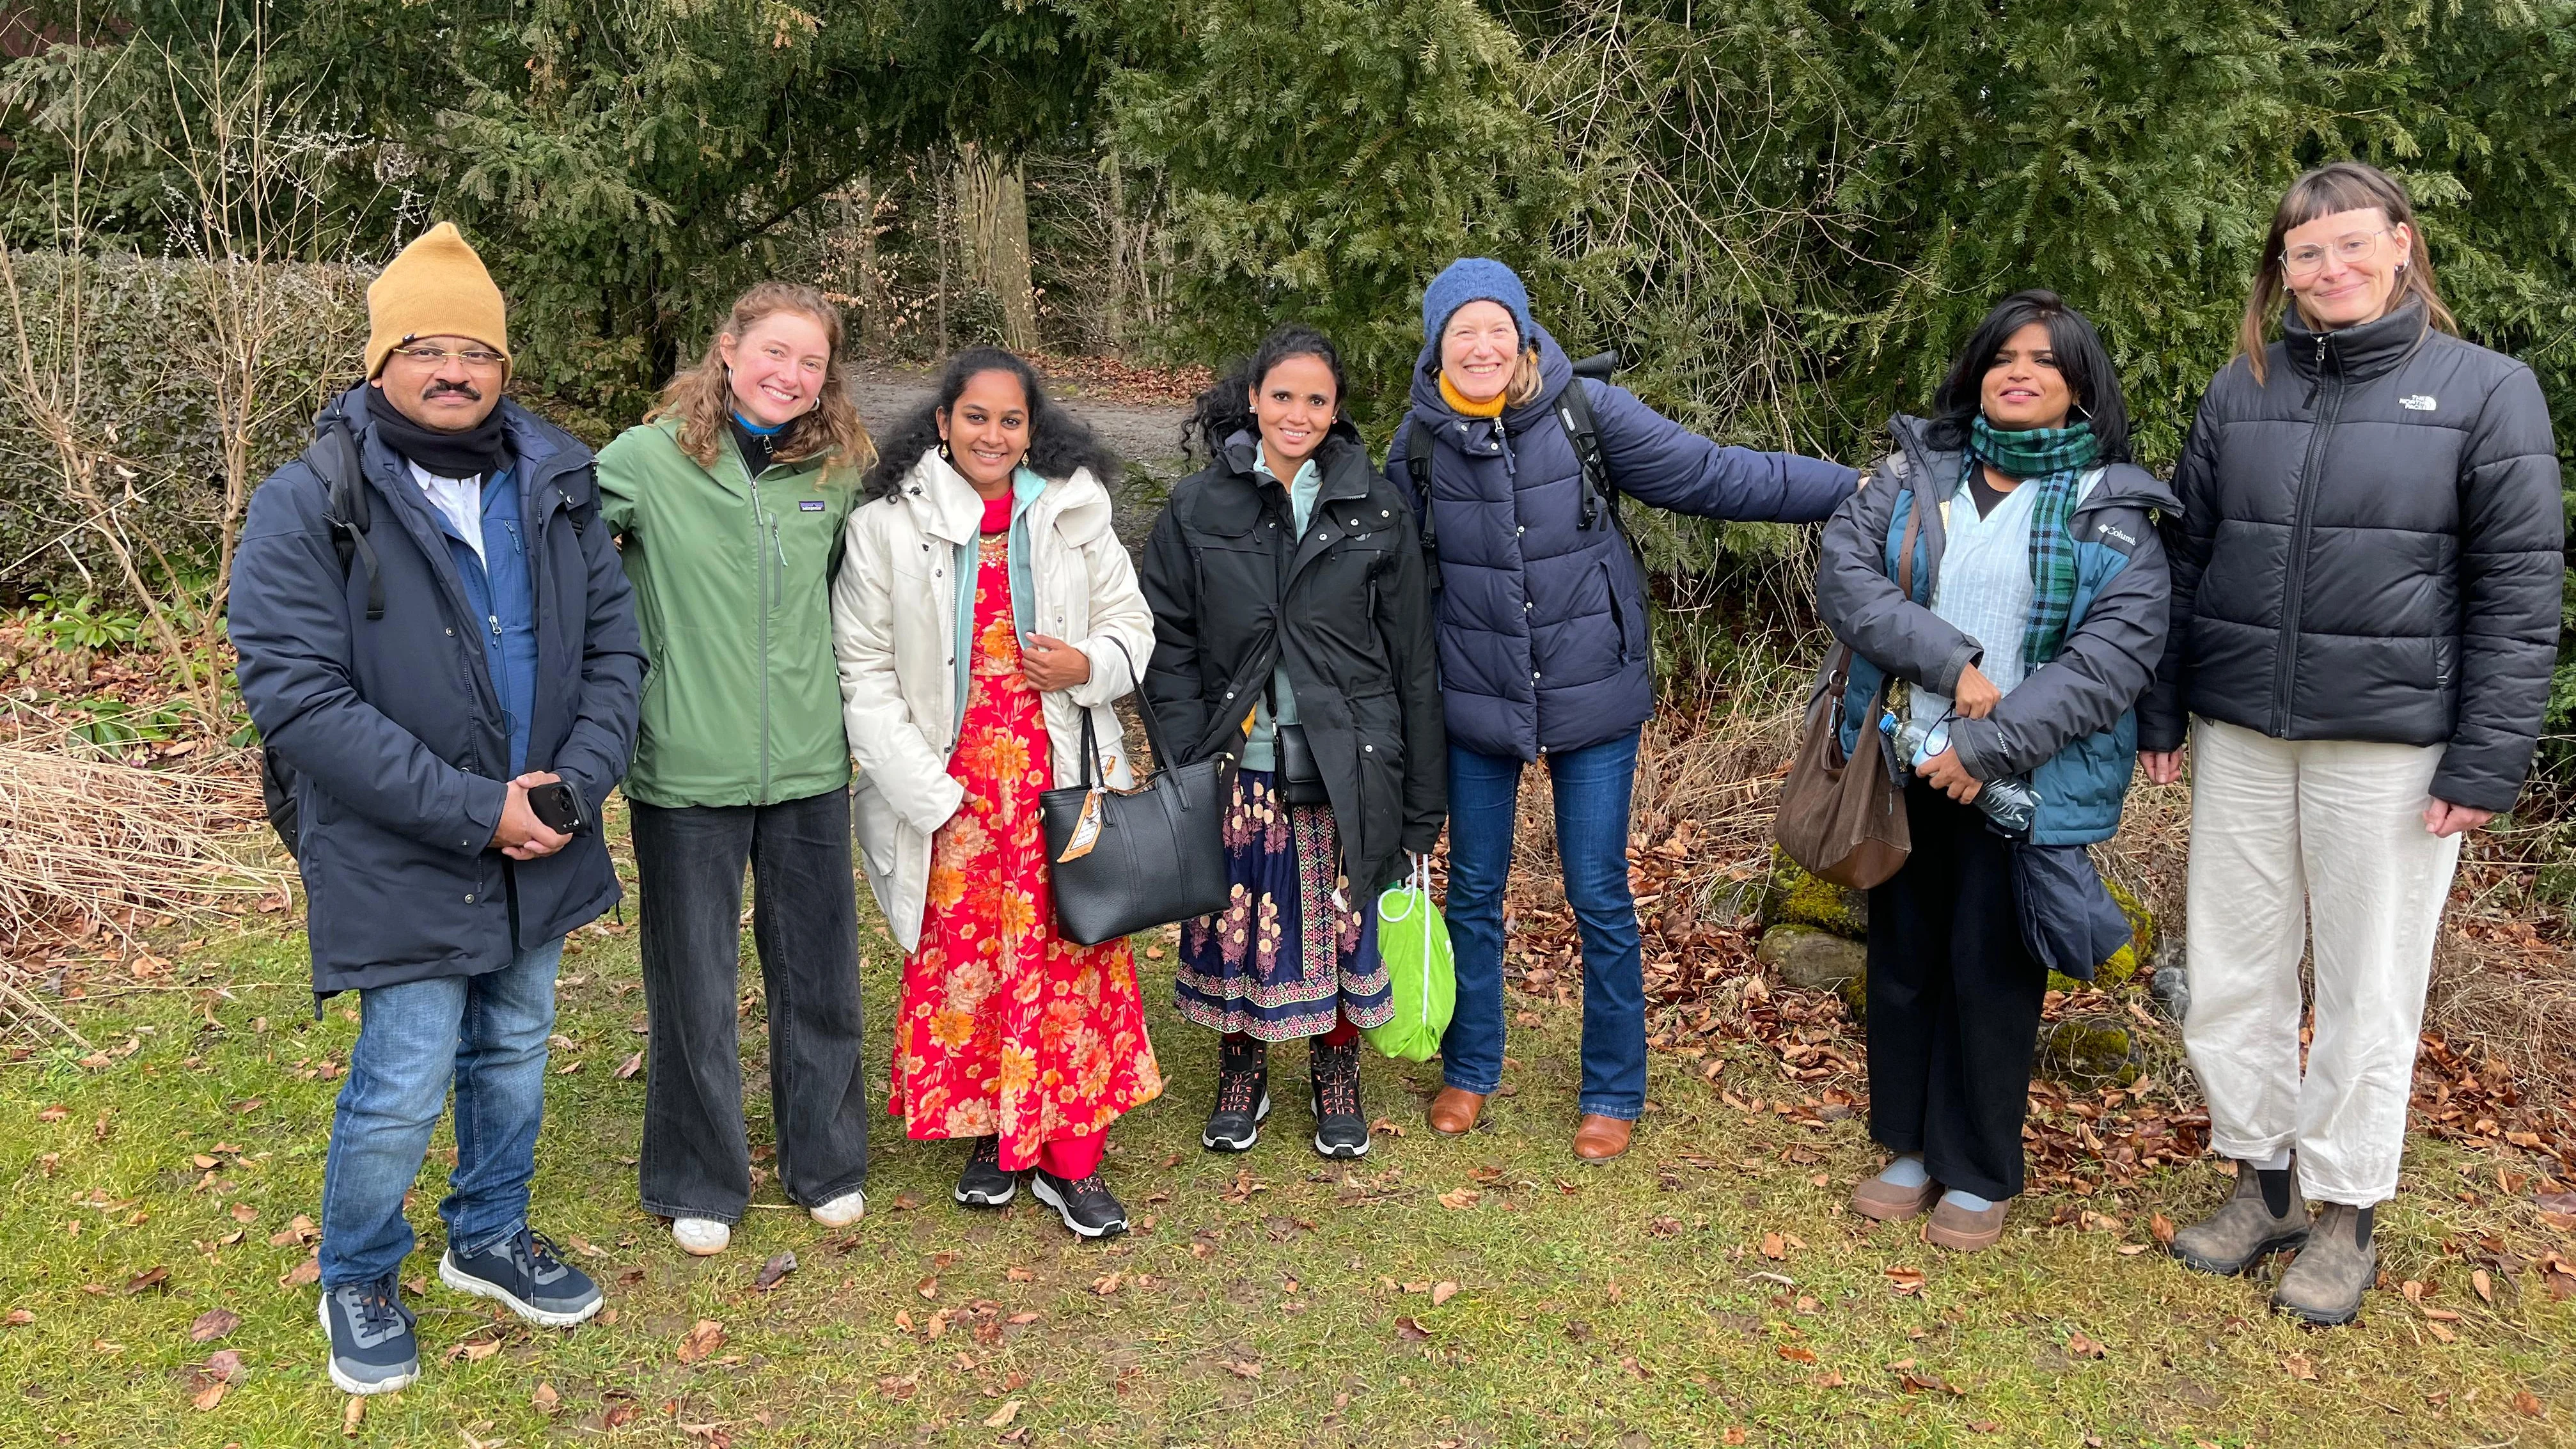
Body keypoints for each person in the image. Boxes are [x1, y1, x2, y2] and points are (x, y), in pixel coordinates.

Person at [2141, 162, 2564, 1325]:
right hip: (2242, 730)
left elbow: (2519, 594)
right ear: (2282, 270)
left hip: (2389, 746)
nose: (2330, 268)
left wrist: (2486, 757)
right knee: (2234, 969)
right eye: (2306, 252)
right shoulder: (2244, 387)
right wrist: (2163, 705)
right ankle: (2265, 1182)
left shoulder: (2486, 391)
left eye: (2351, 244)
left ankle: (2346, 1214)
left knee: (2369, 987)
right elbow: (2187, 558)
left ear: (2401, 245)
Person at [231, 223, 641, 1393]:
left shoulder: (556, 485)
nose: (453, 370)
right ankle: (358, 1272)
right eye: (425, 348)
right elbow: (297, 696)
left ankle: (489, 1232)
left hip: (543, 829)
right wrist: (474, 809)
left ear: (504, 367)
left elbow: (616, 651)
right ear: (380, 362)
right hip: (397, 841)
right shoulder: (311, 502)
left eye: (477, 351)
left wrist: (571, 786)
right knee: (404, 1073)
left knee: (514, 1043)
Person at [1386, 258, 1858, 1160]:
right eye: (1461, 332)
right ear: (1438, 347)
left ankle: (1611, 1087)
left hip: (1593, 687)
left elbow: (1718, 475)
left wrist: (1853, 489)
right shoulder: (1418, 445)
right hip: (1474, 698)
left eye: (1496, 329)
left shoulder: (1586, 412)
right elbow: (1386, 575)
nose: (1481, 347)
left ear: (1523, 335)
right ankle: (1470, 1067)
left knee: (1598, 891)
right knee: (1474, 890)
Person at [1817, 290, 2176, 1251]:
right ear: (1977, 373)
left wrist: (1984, 749)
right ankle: (1907, 1144)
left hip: (2023, 782)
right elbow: (1847, 578)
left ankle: (1977, 1167)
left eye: (2046, 361)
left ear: (2080, 388)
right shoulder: (1915, 475)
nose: (2021, 373)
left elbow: (2109, 660)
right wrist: (1950, 667)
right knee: (1903, 962)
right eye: (2004, 357)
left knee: (1991, 973)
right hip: (1902, 760)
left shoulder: (2114, 514)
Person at [831, 347, 1162, 1238]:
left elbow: (1133, 626)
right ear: (943, 422)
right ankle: (995, 1132)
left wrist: (1088, 663)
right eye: (975, 416)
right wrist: (929, 794)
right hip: (956, 795)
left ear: (1031, 429)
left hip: (1061, 781)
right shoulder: (887, 527)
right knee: (970, 968)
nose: (993, 434)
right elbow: (863, 673)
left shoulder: (1074, 512)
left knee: (1071, 956)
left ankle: (1071, 1161)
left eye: (1010, 420)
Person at [594, 283, 876, 1258]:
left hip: (808, 763)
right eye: (774, 353)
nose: (790, 376)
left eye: (811, 363)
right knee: (694, 985)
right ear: (728, 349)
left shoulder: (836, 470)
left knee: (820, 974)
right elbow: (561, 552)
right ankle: (699, 1175)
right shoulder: (646, 460)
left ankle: (826, 1160)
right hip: (686, 763)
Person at [1140, 324, 1445, 1158]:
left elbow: (1412, 662)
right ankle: (1242, 1066)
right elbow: (1166, 638)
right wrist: (1184, 753)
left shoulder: (1375, 508)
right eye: (1282, 395)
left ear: (1336, 409)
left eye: (1316, 399)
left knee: (1341, 924)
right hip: (1237, 765)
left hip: (1347, 767)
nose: (1297, 414)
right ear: (1253, 399)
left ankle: (1335, 1067)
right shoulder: (1200, 506)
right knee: (1241, 925)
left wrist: (1422, 805)